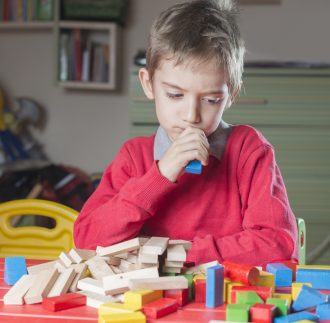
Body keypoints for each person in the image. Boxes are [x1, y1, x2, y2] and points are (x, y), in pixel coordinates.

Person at [74, 0, 298, 266]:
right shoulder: (134, 156)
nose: (191, 115)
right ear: (148, 84)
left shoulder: (249, 151)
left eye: (211, 100)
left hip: (223, 301)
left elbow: (279, 245)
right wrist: (159, 176)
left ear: (231, 95)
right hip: (147, 302)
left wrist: (181, 256)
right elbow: (87, 240)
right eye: (175, 94)